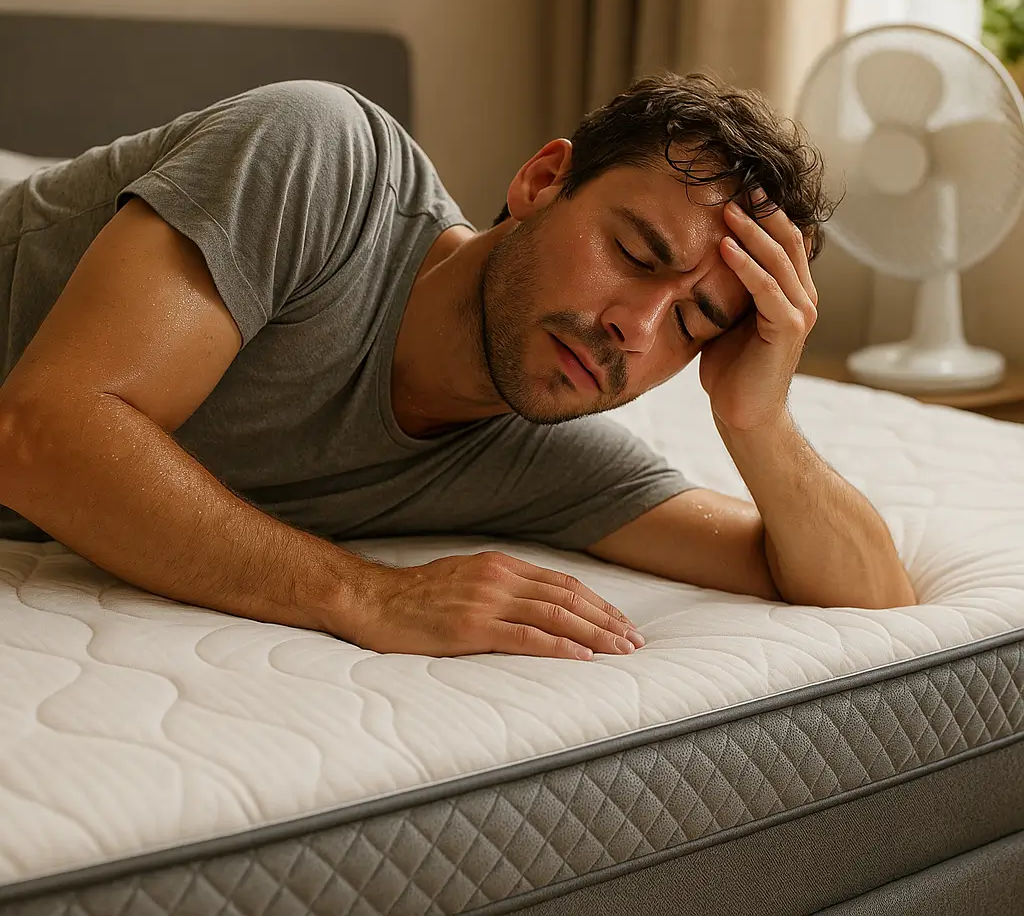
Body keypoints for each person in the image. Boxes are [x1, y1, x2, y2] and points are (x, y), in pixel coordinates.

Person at [0, 73, 916, 662]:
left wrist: (759, 419)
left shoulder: (532, 454)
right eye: (636, 253)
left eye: (694, 320)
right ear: (541, 180)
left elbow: (869, 593)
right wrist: (363, 594)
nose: (630, 330)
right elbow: (41, 433)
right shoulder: (321, 157)